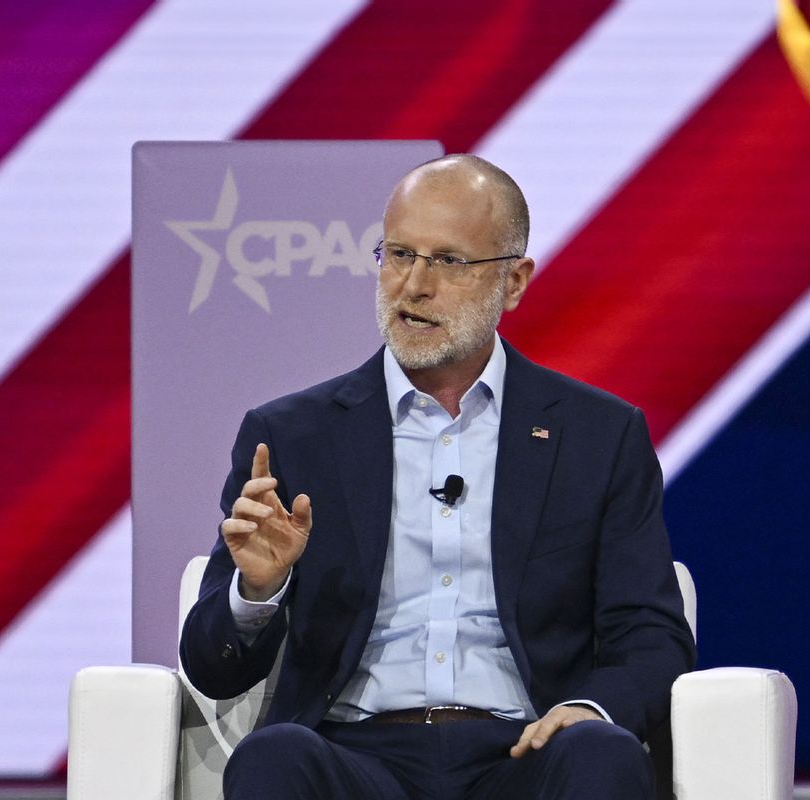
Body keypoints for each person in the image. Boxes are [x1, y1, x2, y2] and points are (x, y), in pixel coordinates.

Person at [179, 154, 696, 800]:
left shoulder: (597, 436)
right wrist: (259, 590)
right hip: (354, 757)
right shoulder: (292, 435)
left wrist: (589, 710)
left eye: (448, 262)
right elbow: (210, 666)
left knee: (601, 756)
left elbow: (652, 635)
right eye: (398, 254)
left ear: (514, 282)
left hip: (524, 750)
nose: (412, 285)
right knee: (273, 759)